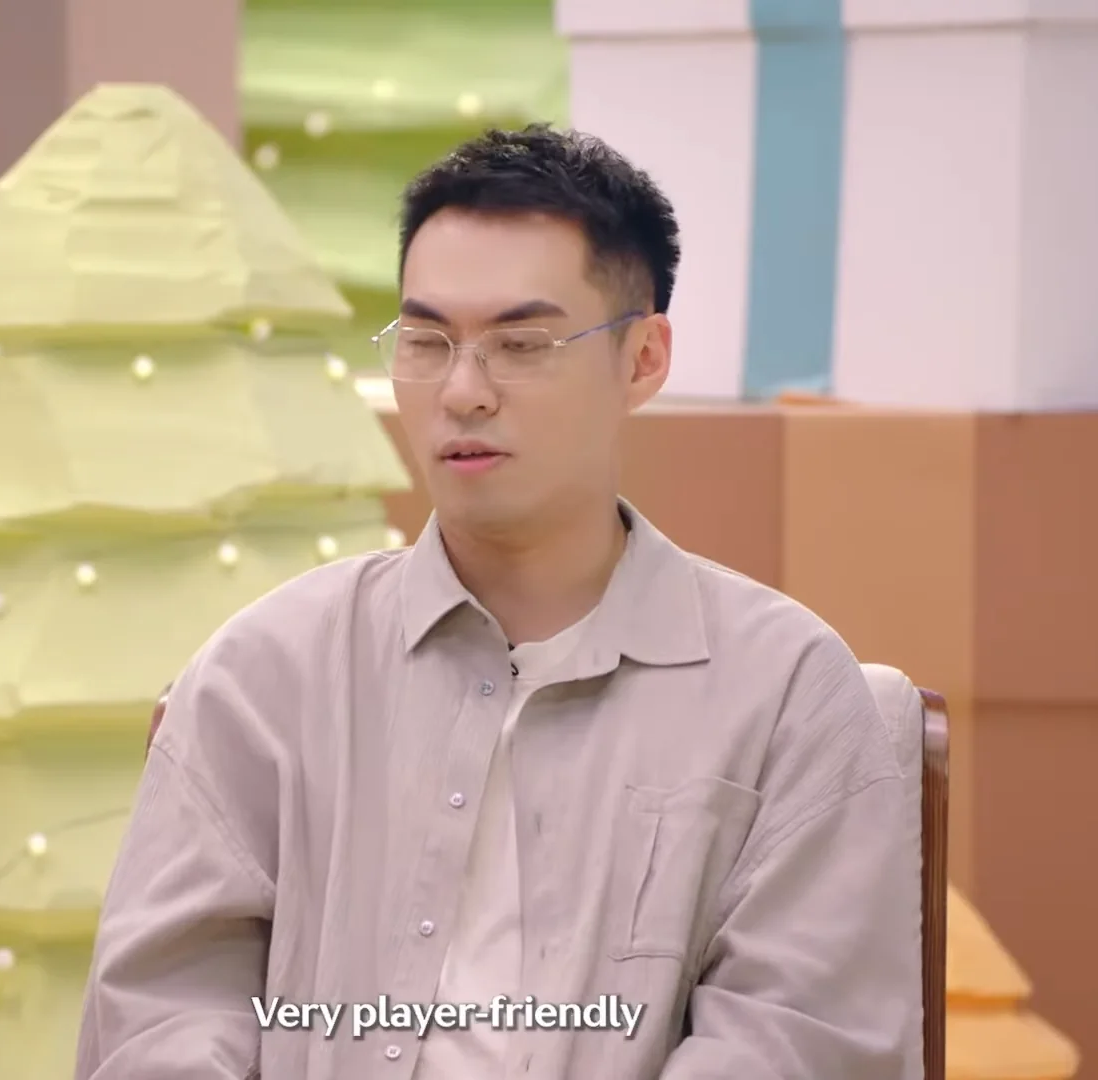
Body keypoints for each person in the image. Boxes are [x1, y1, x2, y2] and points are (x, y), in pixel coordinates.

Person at [74, 125, 920, 1080]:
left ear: (642, 358)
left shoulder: (787, 694)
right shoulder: (266, 674)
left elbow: (798, 1045)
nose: (464, 391)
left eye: (521, 343)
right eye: (426, 342)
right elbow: (161, 1017)